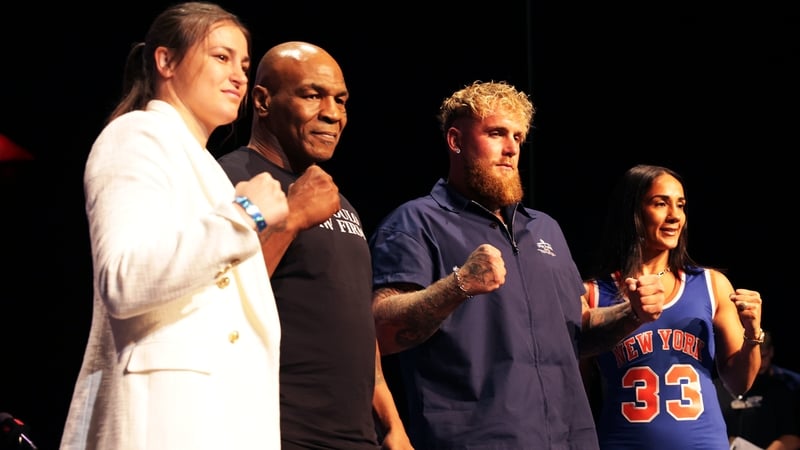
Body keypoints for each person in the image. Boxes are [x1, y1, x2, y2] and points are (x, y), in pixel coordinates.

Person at [367, 80, 666, 449]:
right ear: (456, 140)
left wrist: (631, 313)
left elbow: (577, 330)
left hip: (570, 438)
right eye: (496, 133)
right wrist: (457, 285)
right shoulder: (415, 223)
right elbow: (378, 329)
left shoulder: (545, 228)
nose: (511, 148)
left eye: (518, 137)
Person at [59, 3, 289, 449]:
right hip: (166, 420)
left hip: (216, 422)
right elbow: (125, 278)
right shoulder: (137, 135)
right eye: (221, 57)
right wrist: (247, 214)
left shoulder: (205, 168)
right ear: (165, 61)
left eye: (244, 65)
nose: (239, 77)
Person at [217, 41, 412, 449]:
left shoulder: (338, 201)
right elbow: (218, 294)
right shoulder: (228, 179)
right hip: (280, 430)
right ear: (263, 101)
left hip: (359, 435)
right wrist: (292, 218)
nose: (332, 113)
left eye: (341, 100)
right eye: (312, 95)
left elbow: (355, 317)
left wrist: (392, 422)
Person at [581, 164, 763, 449]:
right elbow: (572, 392)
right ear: (633, 211)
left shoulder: (711, 285)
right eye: (660, 203)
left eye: (680, 205)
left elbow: (740, 384)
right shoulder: (592, 294)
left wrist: (752, 334)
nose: (675, 216)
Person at [715, 330, 800, 450]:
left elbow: (792, 437)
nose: (759, 363)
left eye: (763, 357)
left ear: (771, 352)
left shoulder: (779, 389)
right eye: (753, 358)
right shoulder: (715, 388)